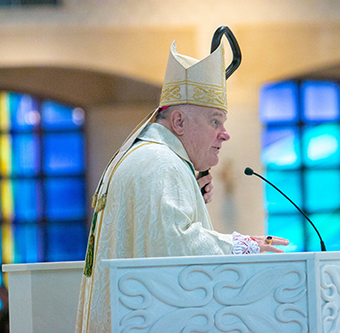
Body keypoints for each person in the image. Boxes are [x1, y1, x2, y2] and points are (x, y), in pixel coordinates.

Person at [75, 34, 289, 333]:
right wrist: (241, 245)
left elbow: (151, 240)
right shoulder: (161, 164)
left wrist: (193, 197)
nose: (225, 134)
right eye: (215, 121)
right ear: (178, 122)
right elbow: (173, 247)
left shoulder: (147, 157)